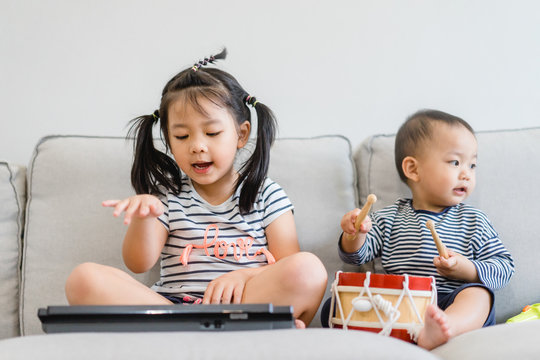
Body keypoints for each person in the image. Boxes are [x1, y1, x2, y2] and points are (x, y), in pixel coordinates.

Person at [65, 49, 327, 327]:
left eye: (212, 133)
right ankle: (216, 329)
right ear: (168, 139)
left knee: (309, 269)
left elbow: (287, 264)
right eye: (181, 136)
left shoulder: (266, 195)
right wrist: (144, 219)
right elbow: (138, 264)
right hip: (171, 309)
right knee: (82, 280)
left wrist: (245, 276)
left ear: (241, 134)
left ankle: (213, 328)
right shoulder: (166, 197)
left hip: (242, 304)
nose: (197, 145)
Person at [321, 109, 514, 348]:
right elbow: (355, 255)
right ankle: (405, 331)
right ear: (413, 169)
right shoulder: (388, 218)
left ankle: (446, 328)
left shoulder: (475, 220)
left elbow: (504, 267)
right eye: (455, 162)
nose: (466, 174)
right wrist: (354, 234)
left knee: (479, 295)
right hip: (399, 305)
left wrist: (467, 269)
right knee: (335, 304)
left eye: (472, 165)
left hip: (450, 303)